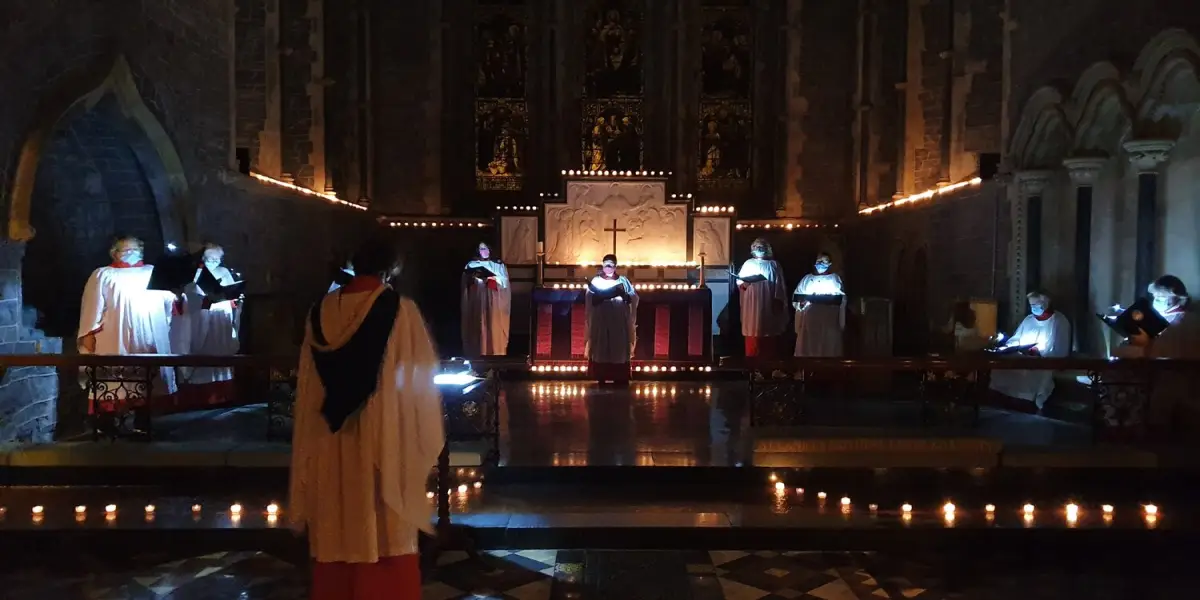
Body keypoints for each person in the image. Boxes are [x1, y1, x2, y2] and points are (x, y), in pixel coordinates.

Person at [289, 238, 445, 600]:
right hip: (382, 437)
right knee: (382, 522)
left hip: (330, 435)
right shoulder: (400, 310)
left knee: (337, 519)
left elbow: (309, 386)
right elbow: (419, 381)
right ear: (391, 268)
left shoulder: (320, 312)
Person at [77, 236, 179, 420]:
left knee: (147, 382)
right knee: (112, 381)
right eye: (126, 250)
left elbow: (169, 301)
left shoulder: (153, 272)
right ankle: (107, 423)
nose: (131, 253)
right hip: (114, 335)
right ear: (115, 253)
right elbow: (92, 306)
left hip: (148, 334)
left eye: (135, 250)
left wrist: (176, 298)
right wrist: (89, 332)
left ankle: (142, 422)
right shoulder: (103, 274)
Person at [989, 290, 1072, 412]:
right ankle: (1003, 397)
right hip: (1023, 355)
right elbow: (1016, 339)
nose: (1033, 308)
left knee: (1030, 371)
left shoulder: (1059, 321)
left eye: (1036, 305)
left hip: (1044, 360)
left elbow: (1060, 349)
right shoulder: (1028, 320)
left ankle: (1026, 400)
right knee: (1002, 365)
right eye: (1031, 305)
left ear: (1045, 304)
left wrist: (1039, 352)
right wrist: (1008, 347)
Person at [177, 244, 243, 391]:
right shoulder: (195, 273)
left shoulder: (223, 272)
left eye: (217, 259)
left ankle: (222, 386)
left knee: (220, 347)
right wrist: (203, 300)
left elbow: (230, 291)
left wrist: (235, 299)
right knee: (203, 349)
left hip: (221, 317)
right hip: (201, 317)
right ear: (203, 258)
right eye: (210, 258)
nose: (214, 261)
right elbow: (188, 295)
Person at [586, 254, 638, 384]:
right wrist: (604, 296)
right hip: (602, 319)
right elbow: (590, 299)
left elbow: (632, 298)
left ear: (615, 266)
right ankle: (601, 376)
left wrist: (623, 296)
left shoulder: (623, 281)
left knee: (618, 346)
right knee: (602, 345)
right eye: (606, 265)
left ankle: (619, 376)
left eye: (611, 265)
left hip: (618, 319)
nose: (608, 267)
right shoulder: (596, 281)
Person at [736, 238, 788, 357]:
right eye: (757, 247)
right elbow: (740, 282)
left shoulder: (774, 264)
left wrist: (778, 300)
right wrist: (744, 283)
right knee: (752, 330)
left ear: (767, 249)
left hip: (767, 300)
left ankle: (768, 362)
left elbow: (780, 284)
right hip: (751, 302)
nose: (759, 249)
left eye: (761, 247)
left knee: (768, 331)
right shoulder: (748, 263)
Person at [461, 242, 511, 357]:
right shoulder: (472, 265)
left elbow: (505, 284)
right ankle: (478, 352)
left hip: (494, 301)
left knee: (493, 326)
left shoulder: (498, 265)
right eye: (481, 249)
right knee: (479, 325)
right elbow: (465, 283)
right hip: (478, 300)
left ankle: (495, 352)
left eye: (485, 249)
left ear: (490, 250)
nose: (483, 251)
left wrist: (492, 279)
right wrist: (473, 279)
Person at [792, 252, 846, 357]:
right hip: (809, 322)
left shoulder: (834, 279)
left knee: (827, 347)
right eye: (819, 261)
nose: (820, 263)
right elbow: (797, 298)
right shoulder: (807, 279)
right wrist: (801, 303)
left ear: (829, 263)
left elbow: (841, 299)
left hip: (828, 321)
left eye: (824, 261)